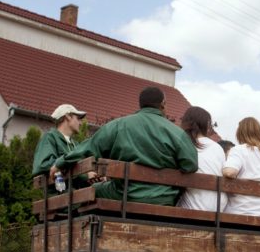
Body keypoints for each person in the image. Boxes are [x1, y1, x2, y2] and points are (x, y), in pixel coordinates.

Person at [51, 86, 198, 205]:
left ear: (141, 104)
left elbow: (89, 147)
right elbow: (190, 165)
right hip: (164, 198)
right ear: (163, 104)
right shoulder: (177, 133)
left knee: (91, 190)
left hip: (125, 194)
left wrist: (60, 162)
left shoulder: (118, 126)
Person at [177, 106, 227, 212]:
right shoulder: (217, 147)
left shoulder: (184, 143)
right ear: (206, 125)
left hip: (194, 207)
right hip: (218, 209)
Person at [32, 103, 86, 177]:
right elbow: (42, 165)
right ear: (68, 116)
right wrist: (85, 175)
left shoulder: (76, 144)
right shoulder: (50, 137)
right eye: (78, 118)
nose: (81, 123)